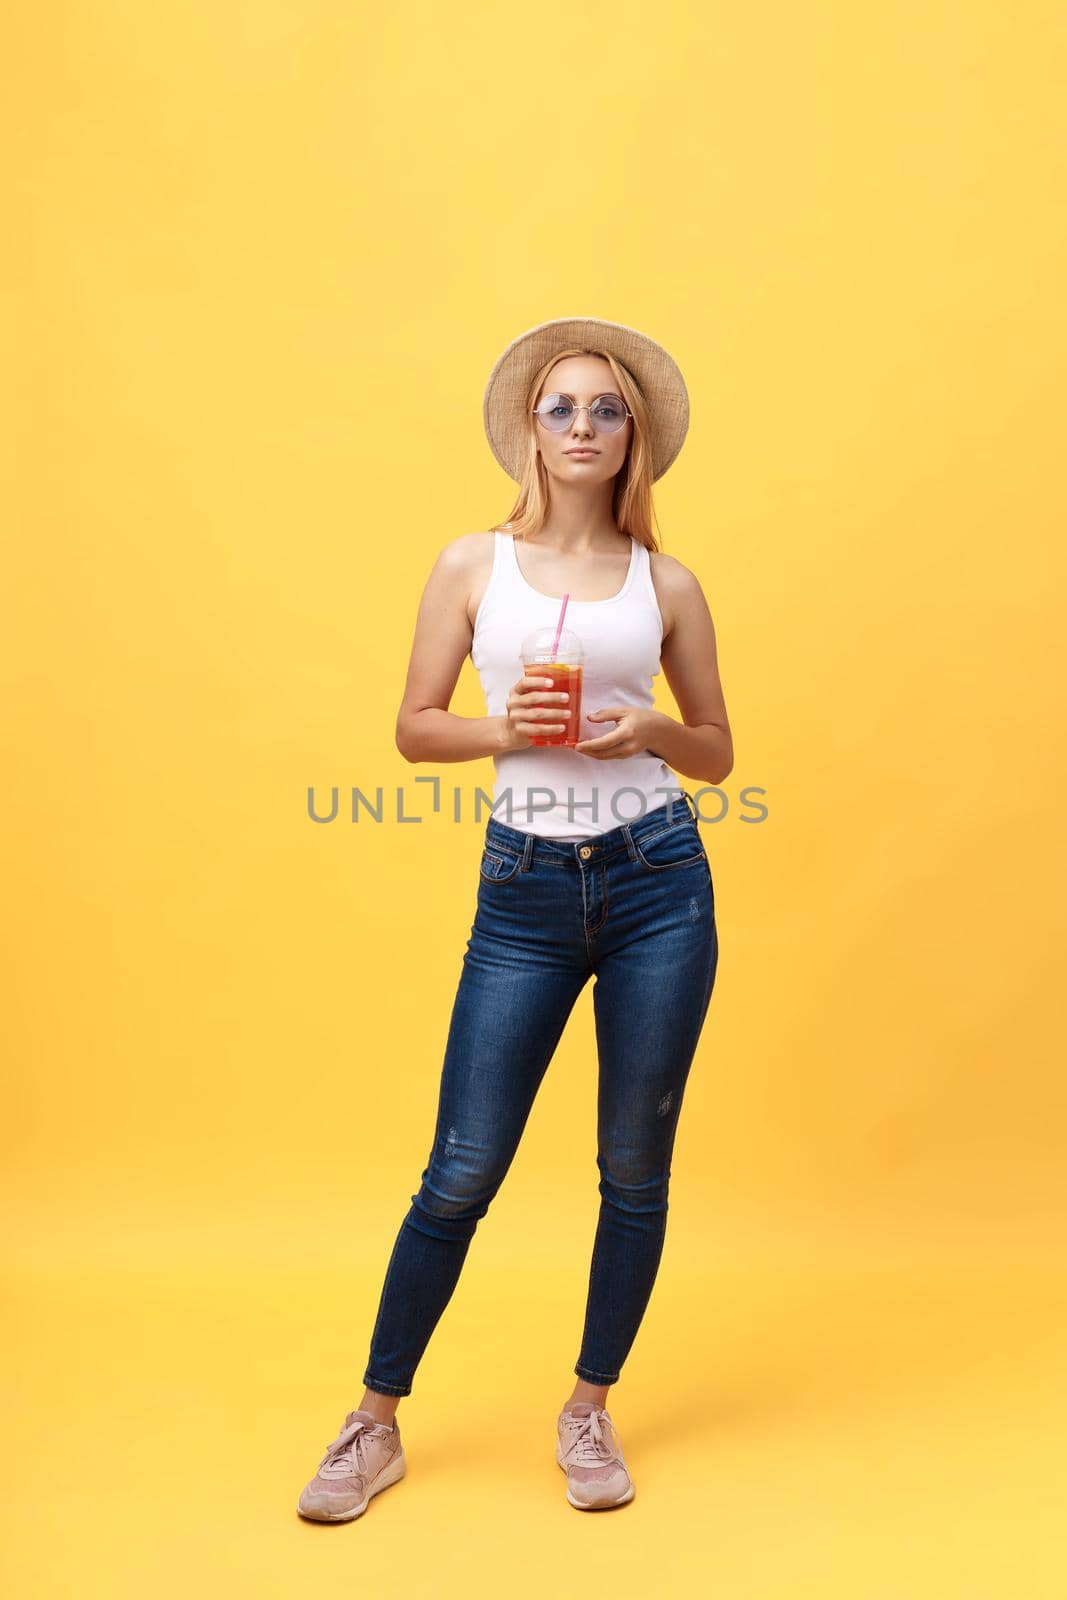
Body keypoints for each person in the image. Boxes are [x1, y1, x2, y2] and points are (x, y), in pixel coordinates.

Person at [297, 316, 733, 1521]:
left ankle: (588, 1410)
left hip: (658, 882)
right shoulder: (468, 566)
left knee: (632, 1171)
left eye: (605, 410)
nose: (584, 427)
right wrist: (510, 732)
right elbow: (413, 726)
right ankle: (372, 1425)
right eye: (562, 408)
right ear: (528, 432)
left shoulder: (669, 583)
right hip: (524, 890)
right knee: (460, 1169)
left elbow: (717, 751)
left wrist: (648, 730)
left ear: (630, 435)